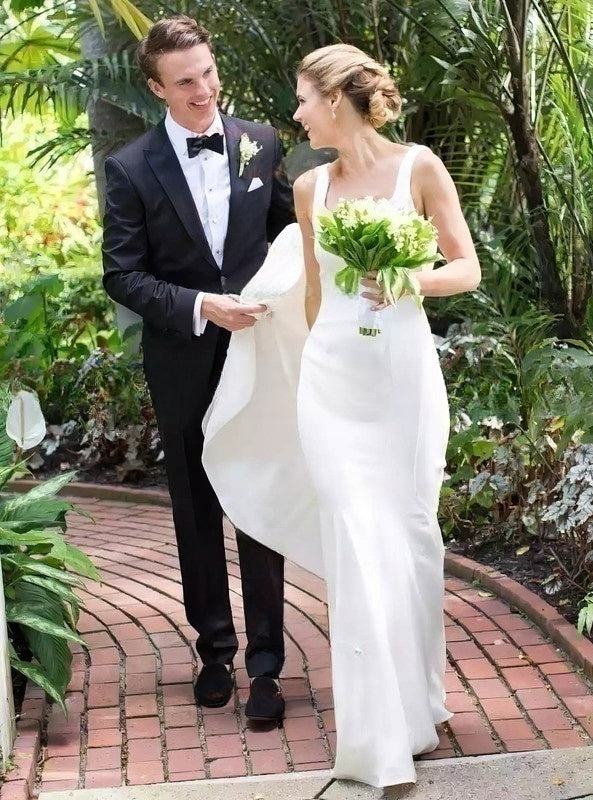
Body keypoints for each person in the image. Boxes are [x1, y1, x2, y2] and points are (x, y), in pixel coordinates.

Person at [202, 43, 481, 787]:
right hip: (330, 384)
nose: (295, 114)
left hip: (401, 382)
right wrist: (292, 372)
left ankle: (418, 704)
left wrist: (409, 277)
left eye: (302, 98)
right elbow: (316, 296)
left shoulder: (420, 167)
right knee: (355, 540)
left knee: (409, 537)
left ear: (335, 98)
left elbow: (466, 267)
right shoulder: (309, 187)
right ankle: (375, 739)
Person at [101, 15, 294, 722]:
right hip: (181, 357)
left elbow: (289, 234)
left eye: (208, 73)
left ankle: (267, 665)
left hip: (257, 350)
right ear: (157, 88)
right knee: (196, 502)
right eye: (185, 81)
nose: (204, 90)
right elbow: (122, 274)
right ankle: (214, 650)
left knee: (261, 498)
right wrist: (200, 306)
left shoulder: (260, 143)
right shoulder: (130, 167)